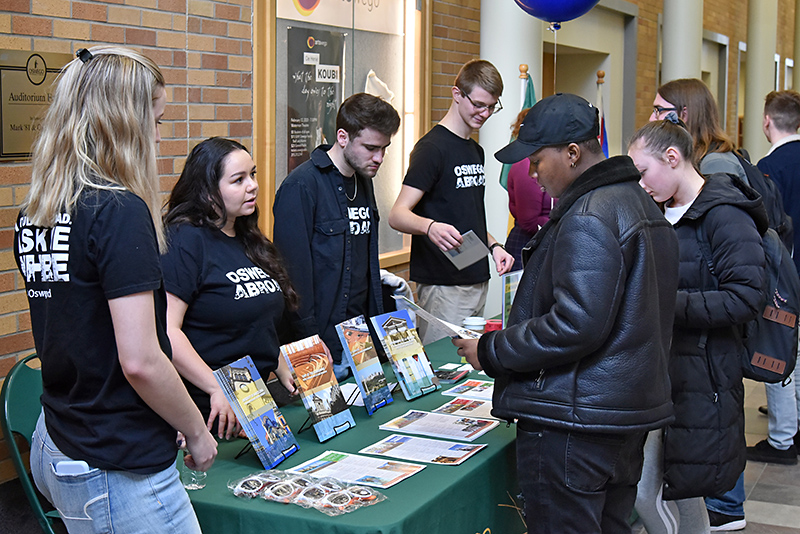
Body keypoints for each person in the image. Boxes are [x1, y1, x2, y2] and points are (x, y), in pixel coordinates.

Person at [453, 93, 680, 534]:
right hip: (618, 415)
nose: (532, 173)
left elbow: (574, 324)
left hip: (575, 422)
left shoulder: (590, 214)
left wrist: (493, 350)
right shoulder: (638, 203)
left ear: (573, 153)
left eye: (537, 160)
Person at [14, 46, 217, 533]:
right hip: (112, 463)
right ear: (123, 122)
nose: (159, 135)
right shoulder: (118, 210)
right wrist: (195, 429)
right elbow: (141, 360)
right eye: (157, 120)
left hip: (61, 437)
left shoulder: (38, 210)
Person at [628, 116, 767, 534]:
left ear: (672, 158)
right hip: (665, 371)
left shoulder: (725, 215)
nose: (641, 184)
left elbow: (746, 297)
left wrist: (662, 303)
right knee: (677, 489)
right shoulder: (661, 210)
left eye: (643, 172)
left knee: (651, 490)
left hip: (701, 375)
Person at [651, 78, 753, 530]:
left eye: (660, 111)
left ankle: (726, 510)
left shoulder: (720, 190)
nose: (652, 117)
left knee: (704, 466)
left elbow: (742, 293)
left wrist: (661, 302)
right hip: (681, 363)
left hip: (708, 359)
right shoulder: (672, 198)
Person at [162, 137, 302, 439]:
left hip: (253, 403)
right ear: (208, 190)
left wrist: (282, 364)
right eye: (238, 180)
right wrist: (215, 387)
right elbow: (168, 331)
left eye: (252, 175)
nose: (252, 185)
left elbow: (254, 318)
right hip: (209, 410)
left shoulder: (247, 236)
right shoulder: (186, 240)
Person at [273, 93, 401, 380]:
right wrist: (311, 344)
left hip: (361, 337)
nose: (379, 158)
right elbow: (290, 277)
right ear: (342, 137)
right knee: (331, 424)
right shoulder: (301, 186)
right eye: (370, 147)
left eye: (384, 148)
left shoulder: (363, 181)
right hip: (321, 344)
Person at [389, 59, 515, 344]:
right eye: (479, 104)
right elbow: (397, 214)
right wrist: (430, 227)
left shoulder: (475, 150)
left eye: (492, 107)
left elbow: (467, 215)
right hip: (444, 285)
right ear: (457, 94)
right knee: (446, 369)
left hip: (477, 277)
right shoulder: (431, 149)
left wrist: (493, 246)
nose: (485, 113)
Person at [748, 89, 800, 465]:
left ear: (767, 121)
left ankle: (783, 439)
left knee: (778, 353)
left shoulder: (769, 168)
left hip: (786, 276)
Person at [505, 108, 554, 267]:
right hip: (526, 245)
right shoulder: (525, 165)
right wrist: (562, 223)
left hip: (543, 241)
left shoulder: (546, 161)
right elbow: (529, 221)